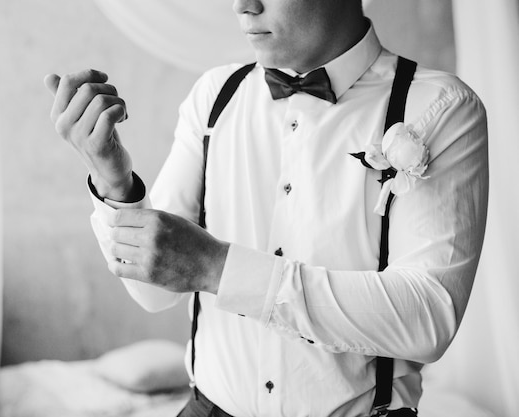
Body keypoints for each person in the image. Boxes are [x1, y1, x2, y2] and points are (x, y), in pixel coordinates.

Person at [44, 0, 488, 416]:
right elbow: (154, 291)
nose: (243, 5)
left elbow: (428, 317)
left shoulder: (439, 108)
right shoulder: (215, 95)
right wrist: (113, 180)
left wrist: (218, 268)